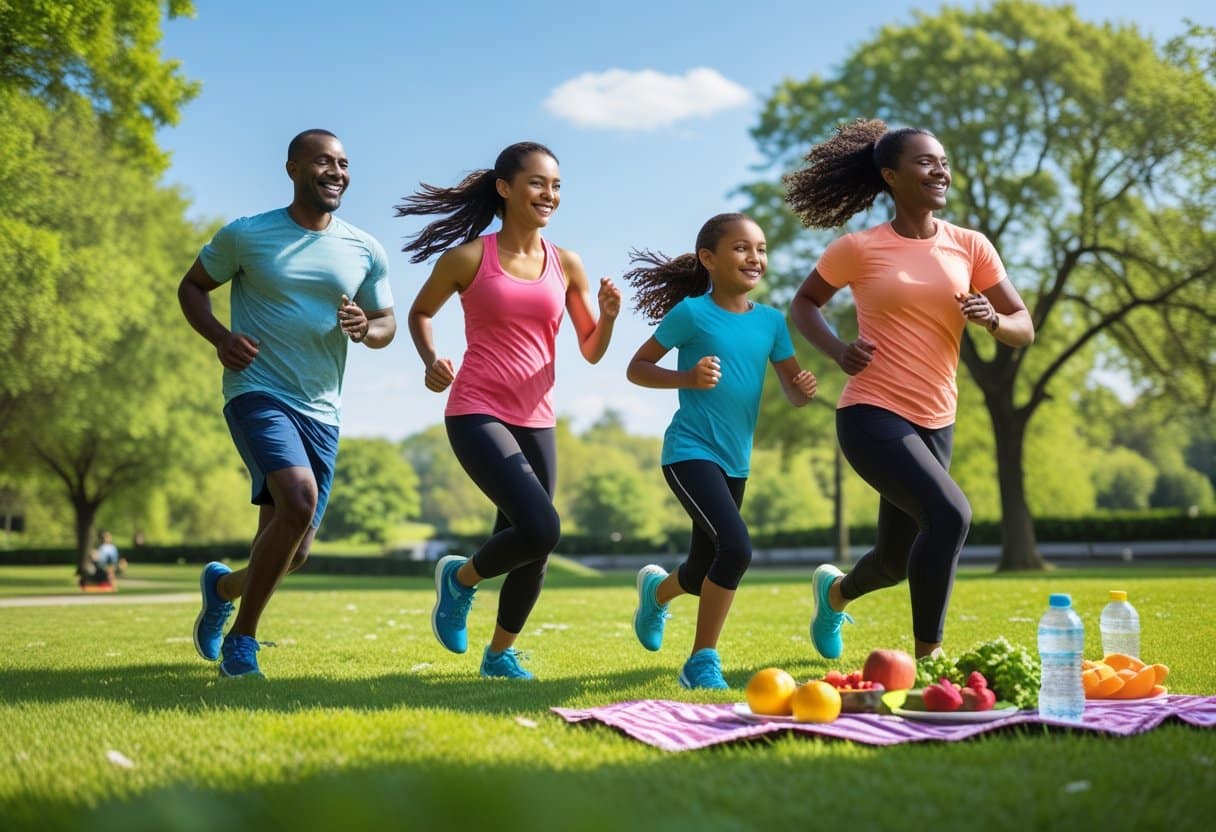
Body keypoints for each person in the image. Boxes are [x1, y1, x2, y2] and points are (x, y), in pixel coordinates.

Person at [785, 119, 1034, 660]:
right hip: (871, 413)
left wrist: (992, 318)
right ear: (891, 177)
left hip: (936, 418)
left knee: (894, 562)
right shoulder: (858, 248)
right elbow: (802, 305)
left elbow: (1023, 326)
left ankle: (834, 594)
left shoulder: (971, 247)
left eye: (942, 161)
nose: (939, 170)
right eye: (926, 162)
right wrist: (836, 350)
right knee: (951, 516)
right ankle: (929, 661)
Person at [177, 129, 396, 679]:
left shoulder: (363, 248)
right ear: (294, 167)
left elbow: (387, 324)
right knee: (297, 501)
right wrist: (221, 337)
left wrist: (366, 327)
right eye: (324, 161)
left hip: (322, 409)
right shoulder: (247, 235)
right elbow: (193, 287)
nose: (337, 172)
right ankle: (242, 642)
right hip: (257, 392)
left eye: (344, 163)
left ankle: (223, 588)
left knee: (293, 550)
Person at [397, 141, 620, 680]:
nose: (550, 195)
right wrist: (432, 359)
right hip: (477, 410)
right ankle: (461, 581)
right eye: (539, 183)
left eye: (557, 186)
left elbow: (591, 348)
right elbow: (421, 312)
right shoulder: (470, 257)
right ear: (505, 188)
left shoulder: (566, 264)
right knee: (542, 526)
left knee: (532, 545)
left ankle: (498, 655)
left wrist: (608, 317)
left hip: (538, 417)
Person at [625, 213, 818, 689]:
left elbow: (791, 387)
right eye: (741, 248)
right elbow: (638, 367)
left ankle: (656, 594)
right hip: (689, 452)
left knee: (701, 567)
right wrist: (685, 378)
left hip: (736, 460)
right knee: (736, 548)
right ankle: (701, 661)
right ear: (709, 259)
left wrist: (801, 388)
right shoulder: (692, 313)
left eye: (761, 248)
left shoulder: (772, 322)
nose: (755, 257)